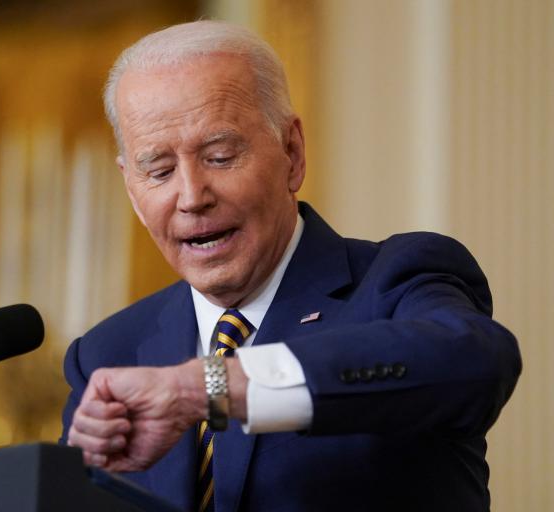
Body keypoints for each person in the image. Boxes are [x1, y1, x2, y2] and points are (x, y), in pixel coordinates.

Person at [60, 20, 521, 512]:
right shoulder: (108, 354)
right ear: (132, 190)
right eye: (160, 171)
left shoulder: (396, 280)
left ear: (292, 153)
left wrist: (205, 387)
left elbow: (476, 363)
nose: (192, 197)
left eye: (220, 156)